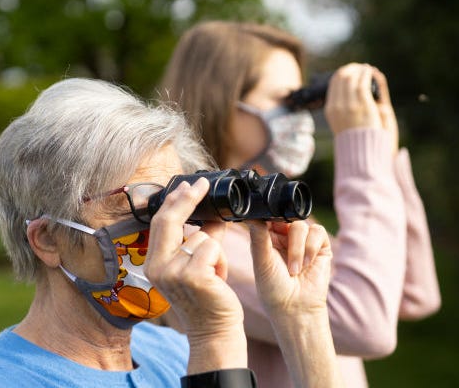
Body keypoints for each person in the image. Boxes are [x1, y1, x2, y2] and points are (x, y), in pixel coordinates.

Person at [0, 78, 342, 388]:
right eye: (141, 203)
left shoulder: (171, 351)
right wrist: (215, 338)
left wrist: (301, 318)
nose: (172, 224)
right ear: (47, 239)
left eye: (179, 203)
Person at [156, 21, 442, 388]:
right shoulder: (199, 240)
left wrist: (382, 159)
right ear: (223, 104)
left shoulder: (261, 224)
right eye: (285, 101)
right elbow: (368, 324)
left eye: (302, 101)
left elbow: (415, 294)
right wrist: (361, 155)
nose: (301, 117)